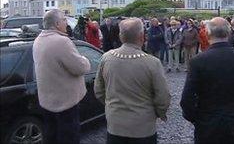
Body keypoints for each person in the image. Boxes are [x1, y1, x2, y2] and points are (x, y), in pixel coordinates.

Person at [180, 17, 234, 144]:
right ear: (228, 33)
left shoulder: (198, 61)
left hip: (206, 120)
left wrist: (196, 118)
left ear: (207, 34)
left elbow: (187, 98)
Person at [94, 18, 171, 144]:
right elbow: (163, 97)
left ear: (120, 36)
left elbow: (99, 90)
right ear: (142, 36)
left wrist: (112, 106)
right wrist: (157, 113)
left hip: (115, 123)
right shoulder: (152, 62)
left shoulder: (106, 58)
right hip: (143, 125)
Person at [33, 9, 91, 144]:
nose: (66, 22)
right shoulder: (61, 41)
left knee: (51, 135)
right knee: (68, 137)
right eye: (64, 20)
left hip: (47, 101)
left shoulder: (38, 40)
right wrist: (84, 58)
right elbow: (81, 67)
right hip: (65, 103)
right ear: (57, 23)